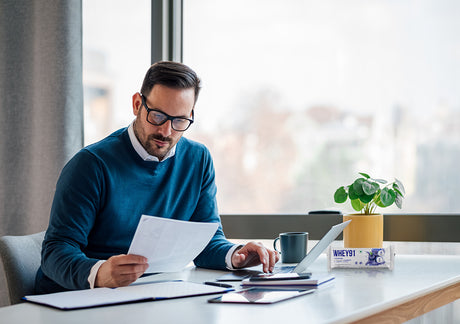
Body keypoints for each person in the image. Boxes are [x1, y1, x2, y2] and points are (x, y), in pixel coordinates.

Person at [35, 61, 279, 293]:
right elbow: (55, 252)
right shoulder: (90, 165)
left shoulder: (198, 160)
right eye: (158, 116)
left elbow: (207, 241)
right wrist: (99, 272)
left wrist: (237, 255)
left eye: (180, 120)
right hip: (76, 300)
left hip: (147, 295)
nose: (166, 131)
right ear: (136, 104)